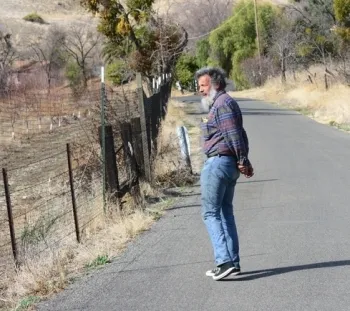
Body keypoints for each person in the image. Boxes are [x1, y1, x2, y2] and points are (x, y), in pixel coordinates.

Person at [196, 67, 254, 281]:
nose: (200, 90)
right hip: (227, 165)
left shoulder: (222, 104)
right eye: (199, 86)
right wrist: (242, 160)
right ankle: (233, 263)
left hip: (218, 164)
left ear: (215, 84)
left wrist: (242, 159)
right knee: (225, 213)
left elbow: (234, 136)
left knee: (210, 213)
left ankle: (224, 261)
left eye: (203, 85)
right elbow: (239, 134)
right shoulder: (224, 103)